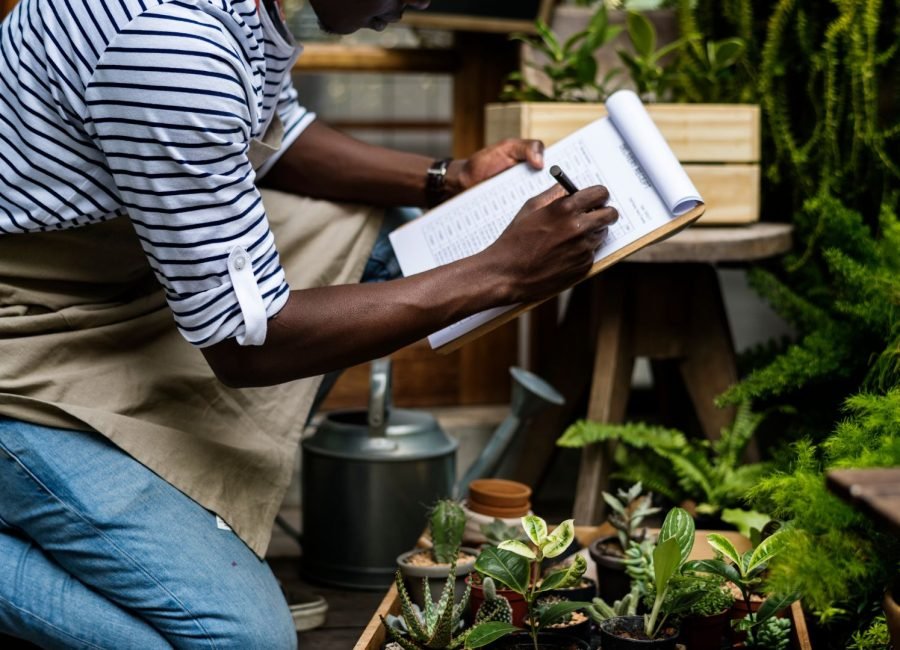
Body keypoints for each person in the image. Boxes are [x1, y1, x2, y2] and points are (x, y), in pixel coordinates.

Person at [0, 0, 618, 647]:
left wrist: (444, 178)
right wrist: (502, 271)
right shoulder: (168, 42)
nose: (422, 4)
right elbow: (246, 342)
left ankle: (185, 510)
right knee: (241, 642)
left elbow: (274, 132)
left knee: (388, 242)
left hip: (122, 277)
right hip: (26, 335)